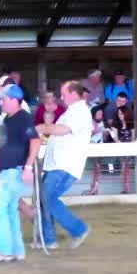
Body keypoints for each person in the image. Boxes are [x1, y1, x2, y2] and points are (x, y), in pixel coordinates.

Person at [0, 84, 39, 264]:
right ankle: (17, 250)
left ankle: (4, 251)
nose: (0, 103)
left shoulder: (24, 118)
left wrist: (28, 167)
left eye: (3, 99)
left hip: (14, 172)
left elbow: (35, 142)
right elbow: (6, 143)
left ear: (15, 100)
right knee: (9, 211)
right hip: (8, 171)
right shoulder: (8, 119)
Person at [34, 81, 93, 250]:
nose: (61, 97)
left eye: (64, 93)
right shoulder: (73, 111)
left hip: (65, 165)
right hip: (57, 165)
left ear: (74, 94)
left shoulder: (80, 111)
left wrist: (41, 127)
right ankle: (48, 239)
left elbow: (63, 130)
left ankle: (78, 229)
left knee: (46, 198)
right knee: (44, 199)